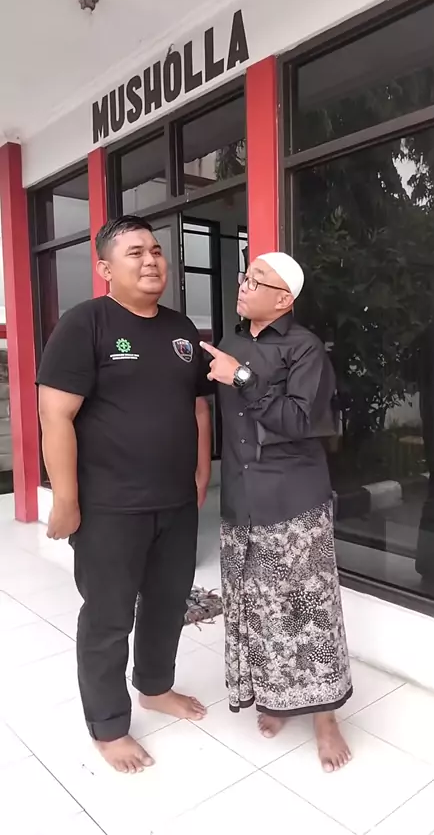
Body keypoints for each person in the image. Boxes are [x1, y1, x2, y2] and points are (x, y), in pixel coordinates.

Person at [37, 215, 212, 774]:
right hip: (110, 507)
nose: (151, 260)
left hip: (175, 503)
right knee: (109, 619)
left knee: (167, 603)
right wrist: (66, 499)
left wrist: (201, 474)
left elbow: (198, 406)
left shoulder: (181, 329)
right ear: (106, 268)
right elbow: (55, 414)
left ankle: (155, 687)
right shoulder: (85, 324)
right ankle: (109, 726)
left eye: (156, 250)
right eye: (135, 252)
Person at [201, 252, 353, 772]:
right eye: (245, 276)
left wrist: (242, 377)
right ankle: (276, 699)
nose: (243, 286)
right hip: (242, 500)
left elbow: (300, 419)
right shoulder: (233, 341)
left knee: (310, 612)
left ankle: (325, 717)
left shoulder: (305, 348)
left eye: (256, 280)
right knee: (259, 609)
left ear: (284, 298)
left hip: (293, 501)